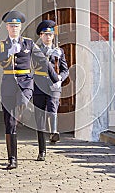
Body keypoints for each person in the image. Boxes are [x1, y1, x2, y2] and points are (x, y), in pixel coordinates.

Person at [0, 11, 59, 170]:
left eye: (17, 26)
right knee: (9, 124)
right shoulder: (1, 45)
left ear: (20, 27)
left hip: (26, 82)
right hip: (8, 83)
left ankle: (21, 113)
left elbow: (43, 61)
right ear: (7, 27)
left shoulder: (28, 44)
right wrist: (8, 52)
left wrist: (56, 79)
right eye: (11, 26)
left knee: (23, 100)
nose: (14, 28)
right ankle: (12, 159)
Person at [33, 20, 69, 161]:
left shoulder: (59, 51)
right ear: (41, 36)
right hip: (40, 85)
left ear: (53, 36)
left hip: (54, 86)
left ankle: (54, 132)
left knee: (53, 107)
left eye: (50, 34)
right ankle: (42, 150)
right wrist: (46, 53)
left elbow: (65, 69)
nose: (48, 37)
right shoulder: (35, 50)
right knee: (40, 117)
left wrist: (60, 78)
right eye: (45, 34)